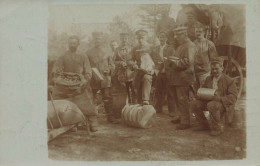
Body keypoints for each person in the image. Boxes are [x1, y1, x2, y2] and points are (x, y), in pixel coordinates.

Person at [51, 35, 98, 132]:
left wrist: (85, 80)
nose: (72, 45)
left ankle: (92, 120)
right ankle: (70, 121)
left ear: (78, 44)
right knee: (56, 98)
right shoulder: (63, 55)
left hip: (79, 83)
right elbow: (56, 70)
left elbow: (88, 71)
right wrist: (59, 78)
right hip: (65, 83)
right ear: (68, 44)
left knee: (87, 99)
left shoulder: (83, 56)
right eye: (70, 43)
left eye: (74, 43)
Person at [190, 57, 238, 136]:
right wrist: (198, 94)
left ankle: (216, 128)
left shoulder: (229, 80)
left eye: (216, 69)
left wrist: (219, 99)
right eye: (212, 69)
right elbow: (204, 90)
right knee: (194, 103)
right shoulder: (209, 78)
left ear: (222, 68)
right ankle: (203, 124)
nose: (214, 71)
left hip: (223, 104)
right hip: (209, 102)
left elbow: (233, 98)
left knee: (212, 105)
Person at [167, 25, 197, 130]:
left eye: (179, 35)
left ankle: (185, 122)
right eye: (176, 35)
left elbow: (188, 62)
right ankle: (181, 116)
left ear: (185, 34)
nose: (176, 37)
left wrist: (173, 61)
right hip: (177, 78)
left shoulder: (190, 46)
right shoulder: (181, 46)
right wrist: (171, 61)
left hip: (184, 77)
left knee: (182, 99)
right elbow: (179, 60)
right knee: (177, 99)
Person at [86, 31, 118, 124]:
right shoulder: (88, 53)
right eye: (96, 38)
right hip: (94, 79)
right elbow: (86, 66)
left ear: (102, 39)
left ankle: (110, 117)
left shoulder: (107, 52)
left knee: (107, 97)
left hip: (105, 79)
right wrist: (90, 72)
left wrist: (109, 70)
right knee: (92, 98)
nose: (97, 40)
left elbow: (112, 65)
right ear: (93, 39)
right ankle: (91, 118)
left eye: (99, 38)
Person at [151, 31, 176, 116]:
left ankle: (172, 110)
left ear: (166, 38)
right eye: (160, 37)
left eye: (163, 37)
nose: (162, 39)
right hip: (159, 72)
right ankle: (158, 108)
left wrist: (166, 61)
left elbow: (174, 60)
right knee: (158, 91)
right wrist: (157, 64)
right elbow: (153, 59)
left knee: (170, 92)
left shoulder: (170, 48)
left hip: (168, 72)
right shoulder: (155, 48)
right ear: (159, 38)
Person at [132, 29, 154, 105]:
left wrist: (153, 69)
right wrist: (133, 64)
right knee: (137, 85)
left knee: (146, 77)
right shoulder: (135, 48)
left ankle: (146, 100)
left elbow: (157, 60)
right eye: (139, 38)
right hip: (139, 71)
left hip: (150, 72)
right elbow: (130, 59)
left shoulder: (151, 47)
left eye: (142, 37)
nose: (140, 40)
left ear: (146, 37)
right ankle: (140, 105)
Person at [113, 32, 136, 103]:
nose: (124, 40)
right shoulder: (117, 50)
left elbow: (135, 60)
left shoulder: (132, 49)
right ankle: (126, 106)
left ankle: (134, 105)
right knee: (124, 90)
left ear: (128, 39)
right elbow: (114, 61)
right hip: (122, 74)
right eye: (122, 38)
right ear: (120, 39)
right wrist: (120, 63)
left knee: (134, 90)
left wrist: (131, 64)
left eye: (125, 38)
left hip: (131, 73)